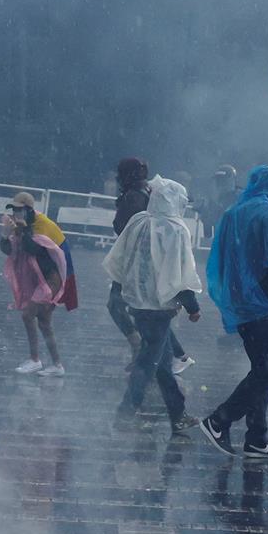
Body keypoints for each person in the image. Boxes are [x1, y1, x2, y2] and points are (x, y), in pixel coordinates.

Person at [197, 165, 268, 458]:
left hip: (240, 302)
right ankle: (219, 420)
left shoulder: (234, 213)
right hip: (263, 303)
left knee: (262, 370)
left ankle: (257, 438)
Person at [105, 175, 203, 434]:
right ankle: (125, 413)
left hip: (137, 302)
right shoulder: (176, 229)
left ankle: (178, 413)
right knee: (147, 363)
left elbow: (120, 258)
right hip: (160, 308)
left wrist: (120, 290)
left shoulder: (139, 221)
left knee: (163, 361)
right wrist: (192, 306)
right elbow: (179, 273)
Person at [109, 157, 190, 374]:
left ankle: (148, 354)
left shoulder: (134, 197)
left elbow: (128, 230)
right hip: (144, 263)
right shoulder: (147, 193)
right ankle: (174, 356)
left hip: (135, 263)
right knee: (150, 312)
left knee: (124, 306)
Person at [0, 193, 68, 375]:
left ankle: (35, 359)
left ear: (29, 210)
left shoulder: (41, 227)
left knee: (28, 314)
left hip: (50, 280)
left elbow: (34, 249)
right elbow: (9, 250)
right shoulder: (21, 227)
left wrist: (23, 231)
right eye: (13, 209)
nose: (16, 213)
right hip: (39, 279)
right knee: (44, 323)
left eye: (20, 209)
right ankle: (57, 365)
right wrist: (5, 236)